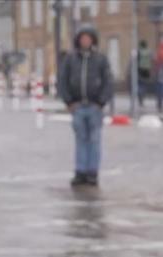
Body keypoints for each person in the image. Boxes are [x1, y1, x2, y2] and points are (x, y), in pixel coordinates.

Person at [59, 26, 113, 186]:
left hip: (94, 106)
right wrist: (69, 101)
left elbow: (108, 82)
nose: (85, 41)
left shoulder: (100, 59)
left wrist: (101, 102)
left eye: (88, 38)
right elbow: (63, 80)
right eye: (82, 38)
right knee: (81, 139)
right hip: (78, 107)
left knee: (94, 140)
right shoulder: (71, 59)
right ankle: (80, 171)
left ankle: (92, 172)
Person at [136, 40, 152, 107]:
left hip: (140, 69)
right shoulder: (149, 52)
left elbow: (136, 61)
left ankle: (140, 98)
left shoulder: (139, 52)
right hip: (147, 70)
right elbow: (151, 60)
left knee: (140, 85)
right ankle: (142, 97)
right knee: (144, 85)